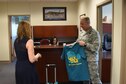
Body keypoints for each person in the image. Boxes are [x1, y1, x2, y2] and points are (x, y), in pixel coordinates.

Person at [67, 17, 102, 84]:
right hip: (83, 59)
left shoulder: (94, 33)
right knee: (85, 78)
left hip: (91, 60)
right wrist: (70, 45)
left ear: (88, 23)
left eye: (82, 24)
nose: (81, 25)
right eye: (80, 23)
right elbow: (77, 42)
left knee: (95, 79)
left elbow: (96, 48)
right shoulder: (82, 32)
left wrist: (85, 44)